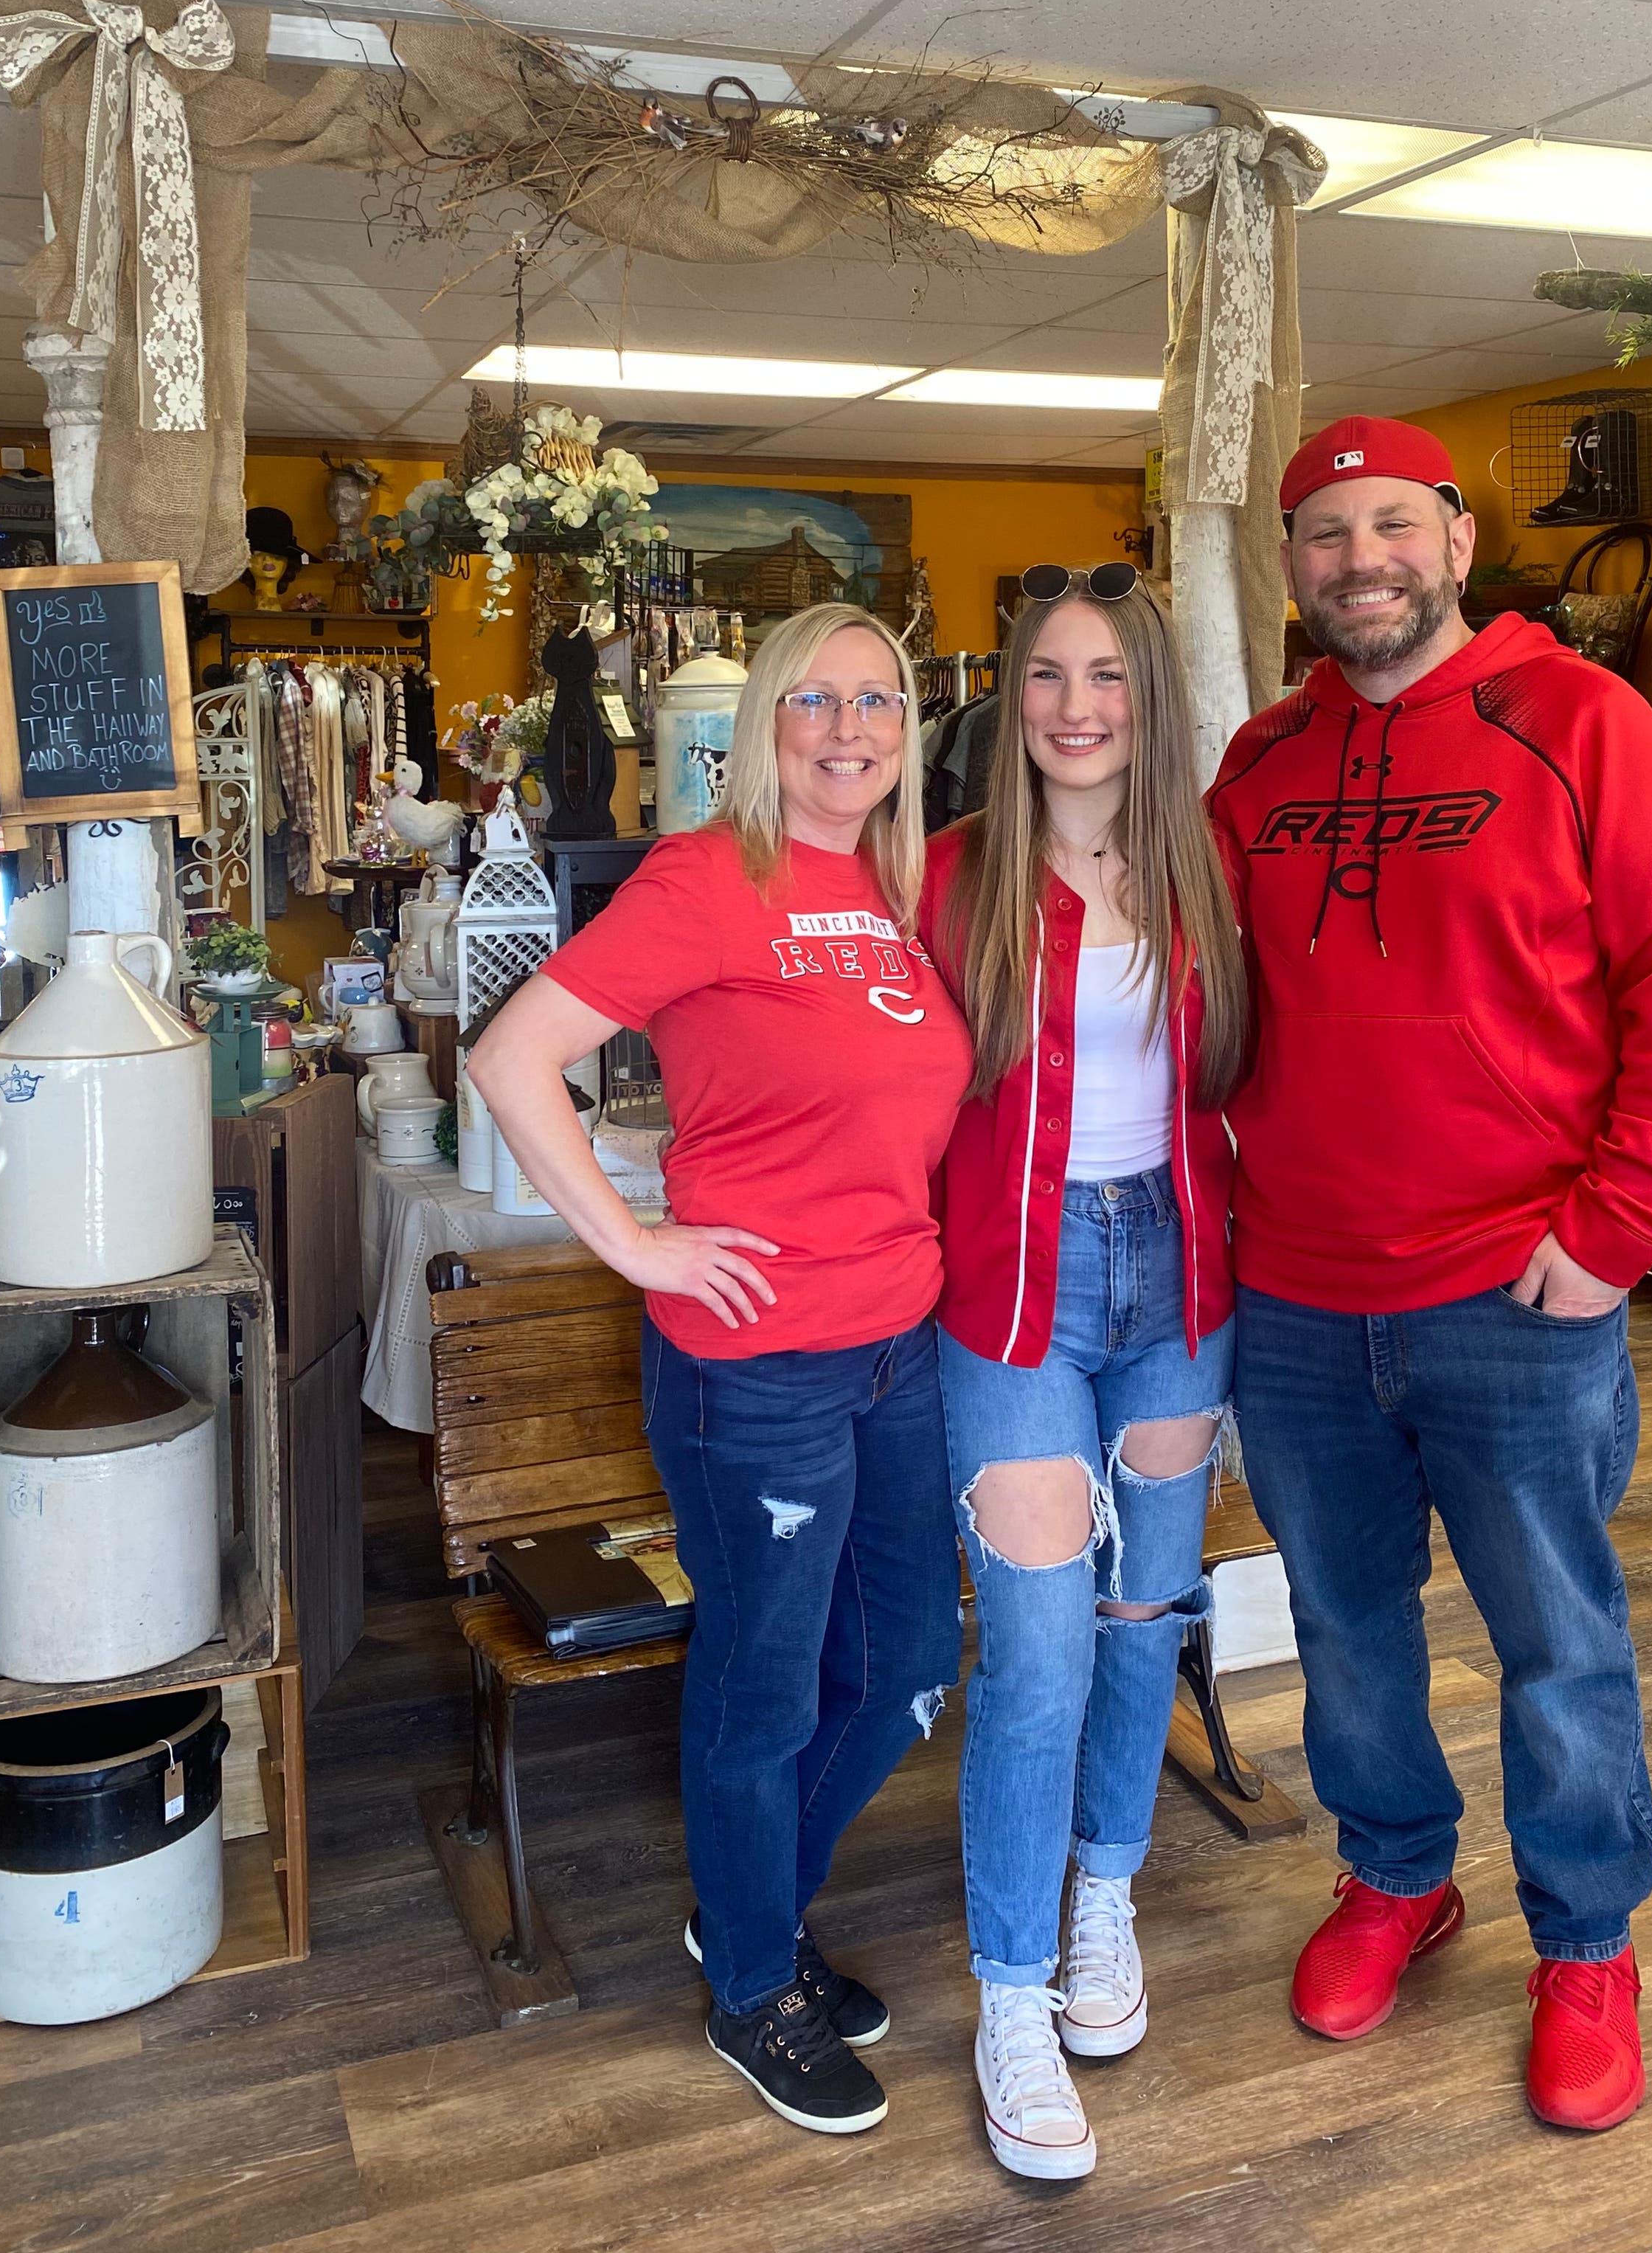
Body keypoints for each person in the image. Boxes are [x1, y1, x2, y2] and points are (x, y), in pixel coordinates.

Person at [1210, 415, 1652, 2134]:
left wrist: (1616, 1228)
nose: (1358, 560)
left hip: (1517, 1298)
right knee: (1350, 1632)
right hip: (1294, 1299)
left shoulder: (1586, 724)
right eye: (1321, 534)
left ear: (1451, 535)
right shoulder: (1259, 762)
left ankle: (1585, 1946)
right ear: (1291, 565)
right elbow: (1211, 1011)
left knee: (1556, 1645)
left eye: (1388, 526)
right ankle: (1396, 1877)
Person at [469, 602, 972, 2139]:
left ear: (907, 727)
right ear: (766, 722)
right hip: (755, 1368)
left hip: (903, 1343)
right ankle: (756, 1980)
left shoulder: (900, 883)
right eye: (815, 701)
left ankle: (750, 1910)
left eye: (876, 700)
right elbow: (510, 1056)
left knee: (897, 1670)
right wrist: (637, 1242)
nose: (848, 728)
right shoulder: (708, 877)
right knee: (762, 1694)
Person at [922, 564, 1245, 2182]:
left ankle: (1104, 1899)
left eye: (1104, 676)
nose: (1073, 707)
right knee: (1041, 1644)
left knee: (1144, 1617)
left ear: (1148, 698)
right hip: (1013, 1291)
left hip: (1180, 1280)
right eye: (1045, 675)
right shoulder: (955, 877)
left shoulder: (1205, 870)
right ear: (1013, 699)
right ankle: (1010, 1993)